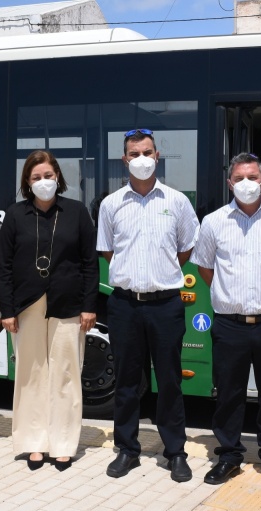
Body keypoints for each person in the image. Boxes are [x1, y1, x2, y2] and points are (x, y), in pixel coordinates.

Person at [97, 129, 200, 482]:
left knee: (170, 380)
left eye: (147, 152)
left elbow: (186, 249)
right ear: (124, 160)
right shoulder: (111, 204)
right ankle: (127, 449)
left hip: (165, 304)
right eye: (134, 153)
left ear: (157, 156)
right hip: (124, 304)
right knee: (126, 382)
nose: (141, 159)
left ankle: (175, 452)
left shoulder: (177, 201)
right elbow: (108, 251)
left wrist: (160, 272)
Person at [191, 153, 261, 488]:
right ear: (230, 183)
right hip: (230, 324)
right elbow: (205, 267)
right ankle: (229, 456)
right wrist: (229, 296)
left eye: (252, 177)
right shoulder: (213, 222)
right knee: (228, 394)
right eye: (239, 178)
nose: (246, 184)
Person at [0, 150, 98, 472]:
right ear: (28, 182)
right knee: (31, 374)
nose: (43, 182)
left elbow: (89, 263)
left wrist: (89, 306)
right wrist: (7, 310)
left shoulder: (76, 212)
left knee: (66, 373)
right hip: (26, 305)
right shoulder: (15, 214)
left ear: (58, 178)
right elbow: (4, 266)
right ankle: (34, 442)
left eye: (48, 176)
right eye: (36, 177)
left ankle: (64, 444)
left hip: (68, 304)